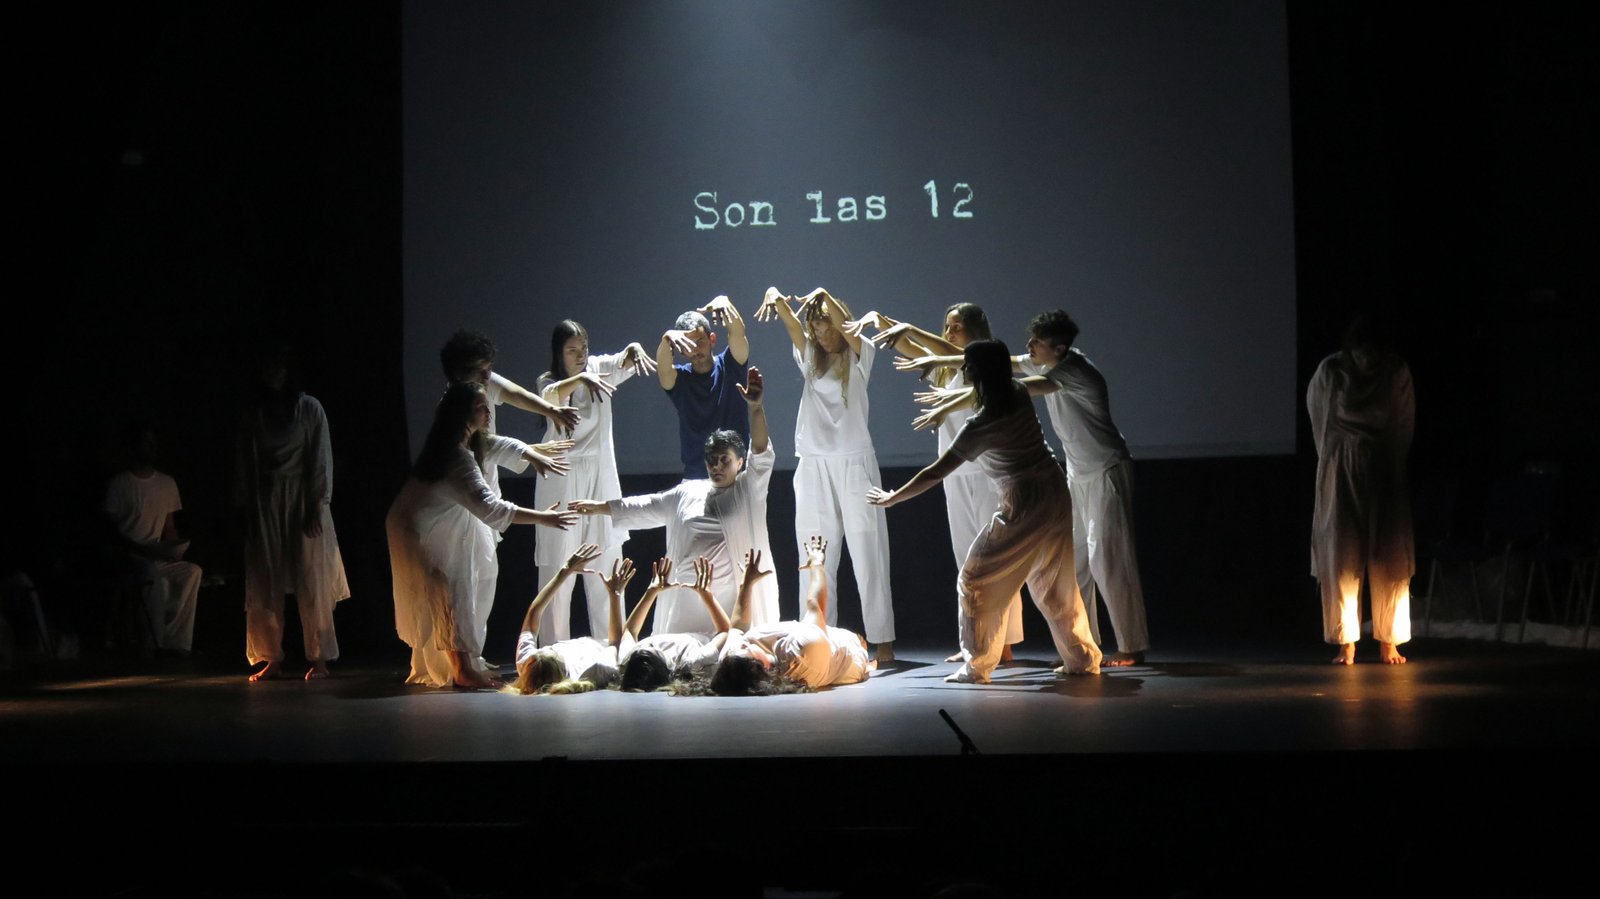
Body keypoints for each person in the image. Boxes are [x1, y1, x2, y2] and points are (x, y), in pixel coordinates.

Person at [898, 311, 1150, 667]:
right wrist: (940, 361)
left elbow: (1010, 383)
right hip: (1076, 473)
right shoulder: (1045, 362)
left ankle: (1131, 646)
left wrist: (949, 399)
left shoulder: (1071, 371)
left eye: (1037, 343)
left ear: (1059, 349)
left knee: (1108, 558)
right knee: (1076, 563)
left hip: (1106, 468)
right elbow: (1005, 367)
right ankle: (1085, 647)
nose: (1029, 346)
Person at [871, 340, 1102, 684]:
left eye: (969, 365)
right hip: (1053, 489)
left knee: (975, 579)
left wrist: (894, 497)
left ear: (978, 372)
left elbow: (935, 472)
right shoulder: (1017, 392)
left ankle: (977, 665)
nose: (964, 370)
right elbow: (978, 393)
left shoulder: (981, 424)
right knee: (1054, 583)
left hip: (1025, 499)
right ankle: (1082, 658)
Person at [857, 302, 1024, 663]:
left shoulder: (986, 365)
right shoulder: (945, 371)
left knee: (997, 556)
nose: (949, 333)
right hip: (955, 474)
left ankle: (1005, 642)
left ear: (975, 329)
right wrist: (881, 323)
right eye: (946, 327)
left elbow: (947, 351)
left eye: (956, 327)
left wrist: (909, 327)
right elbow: (911, 349)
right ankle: (975, 640)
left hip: (988, 472)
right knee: (966, 558)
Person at [386, 381, 576, 689]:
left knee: (452, 587)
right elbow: (491, 508)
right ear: (461, 414)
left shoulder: (462, 444)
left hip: (421, 525)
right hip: (418, 531)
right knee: (449, 587)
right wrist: (544, 517)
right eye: (480, 407)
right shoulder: (455, 456)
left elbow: (497, 444)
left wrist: (529, 452)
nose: (488, 412)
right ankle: (461, 669)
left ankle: (460, 664)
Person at [570, 367, 778, 633]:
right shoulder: (687, 492)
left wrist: (756, 408)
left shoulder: (748, 489)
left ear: (739, 462)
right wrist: (602, 507)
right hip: (686, 597)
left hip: (731, 596)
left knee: (732, 647)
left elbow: (760, 452)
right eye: (711, 460)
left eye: (724, 460)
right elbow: (647, 506)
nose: (716, 466)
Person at [754, 286, 896, 662]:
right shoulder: (809, 360)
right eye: (815, 328)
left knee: (868, 552)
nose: (821, 334)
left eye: (825, 326)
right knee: (815, 554)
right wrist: (775, 295)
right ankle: (818, 637)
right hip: (814, 464)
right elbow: (790, 323)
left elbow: (846, 324)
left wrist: (824, 295)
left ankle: (883, 641)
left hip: (855, 464)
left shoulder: (861, 354)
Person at [530, 320, 655, 644]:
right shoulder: (549, 381)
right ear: (559, 353)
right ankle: (552, 652)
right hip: (562, 478)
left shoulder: (597, 368)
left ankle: (612, 644)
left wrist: (633, 349)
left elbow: (624, 360)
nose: (581, 355)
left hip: (598, 476)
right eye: (572, 350)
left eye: (583, 348)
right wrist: (580, 379)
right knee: (559, 566)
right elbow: (549, 396)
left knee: (605, 563)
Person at [235, 347, 350, 681]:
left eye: (278, 367)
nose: (273, 373)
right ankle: (271, 656)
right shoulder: (255, 414)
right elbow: (246, 463)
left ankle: (320, 658)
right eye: (267, 367)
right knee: (265, 577)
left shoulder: (308, 408)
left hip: (303, 497)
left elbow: (321, 459)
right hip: (266, 500)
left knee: (311, 577)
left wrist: (317, 505)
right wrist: (247, 508)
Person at [1307, 316, 1415, 664]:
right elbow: (1320, 419)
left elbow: (1403, 422)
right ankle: (1346, 641)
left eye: (1372, 353)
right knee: (1342, 554)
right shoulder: (1331, 371)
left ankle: (1390, 640)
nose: (1366, 360)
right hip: (1341, 468)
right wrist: (1332, 462)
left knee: (1389, 556)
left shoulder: (1395, 372)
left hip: (1382, 468)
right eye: (1360, 353)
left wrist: (1390, 464)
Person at [707, 536, 873, 695]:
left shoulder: (731, 660)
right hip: (850, 653)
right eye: (745, 649)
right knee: (853, 642)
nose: (740, 645)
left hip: (810, 642)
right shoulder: (801, 656)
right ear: (764, 666)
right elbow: (815, 607)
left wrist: (747, 583)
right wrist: (817, 566)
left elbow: (737, 627)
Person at [439, 329, 581, 497]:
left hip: (490, 491)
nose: (486, 376)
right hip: (466, 497)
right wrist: (529, 452)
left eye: (489, 368)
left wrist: (552, 411)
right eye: (479, 370)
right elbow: (484, 446)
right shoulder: (449, 413)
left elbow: (517, 394)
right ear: (459, 374)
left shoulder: (485, 381)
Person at [104, 423, 201, 654]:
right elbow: (110, 530)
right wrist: (136, 549)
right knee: (150, 574)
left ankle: (176, 641)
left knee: (192, 571)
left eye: (153, 444)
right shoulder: (120, 484)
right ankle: (151, 643)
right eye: (146, 443)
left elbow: (169, 526)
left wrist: (174, 551)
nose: (151, 448)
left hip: (156, 553)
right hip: (131, 557)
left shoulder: (167, 483)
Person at [616, 555, 757, 692]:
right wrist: (707, 595)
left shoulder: (633, 658)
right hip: (706, 624)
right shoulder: (693, 662)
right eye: (652, 647)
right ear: (661, 665)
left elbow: (630, 631)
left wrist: (651, 592)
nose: (650, 642)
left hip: (674, 621)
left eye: (645, 645)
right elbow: (726, 631)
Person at [510, 544, 630, 695]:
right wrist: (614, 596)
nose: (545, 649)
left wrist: (566, 570)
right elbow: (615, 643)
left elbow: (533, 614)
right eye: (548, 651)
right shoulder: (590, 672)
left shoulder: (527, 664)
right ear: (561, 667)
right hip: (614, 648)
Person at [655, 297, 751, 481]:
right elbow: (663, 369)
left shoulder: (731, 364)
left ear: (712, 339)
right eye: (688, 344)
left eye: (700, 341)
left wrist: (725, 303)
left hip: (737, 476)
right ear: (680, 348)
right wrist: (667, 339)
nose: (695, 349)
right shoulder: (680, 380)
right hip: (696, 478)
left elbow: (738, 334)